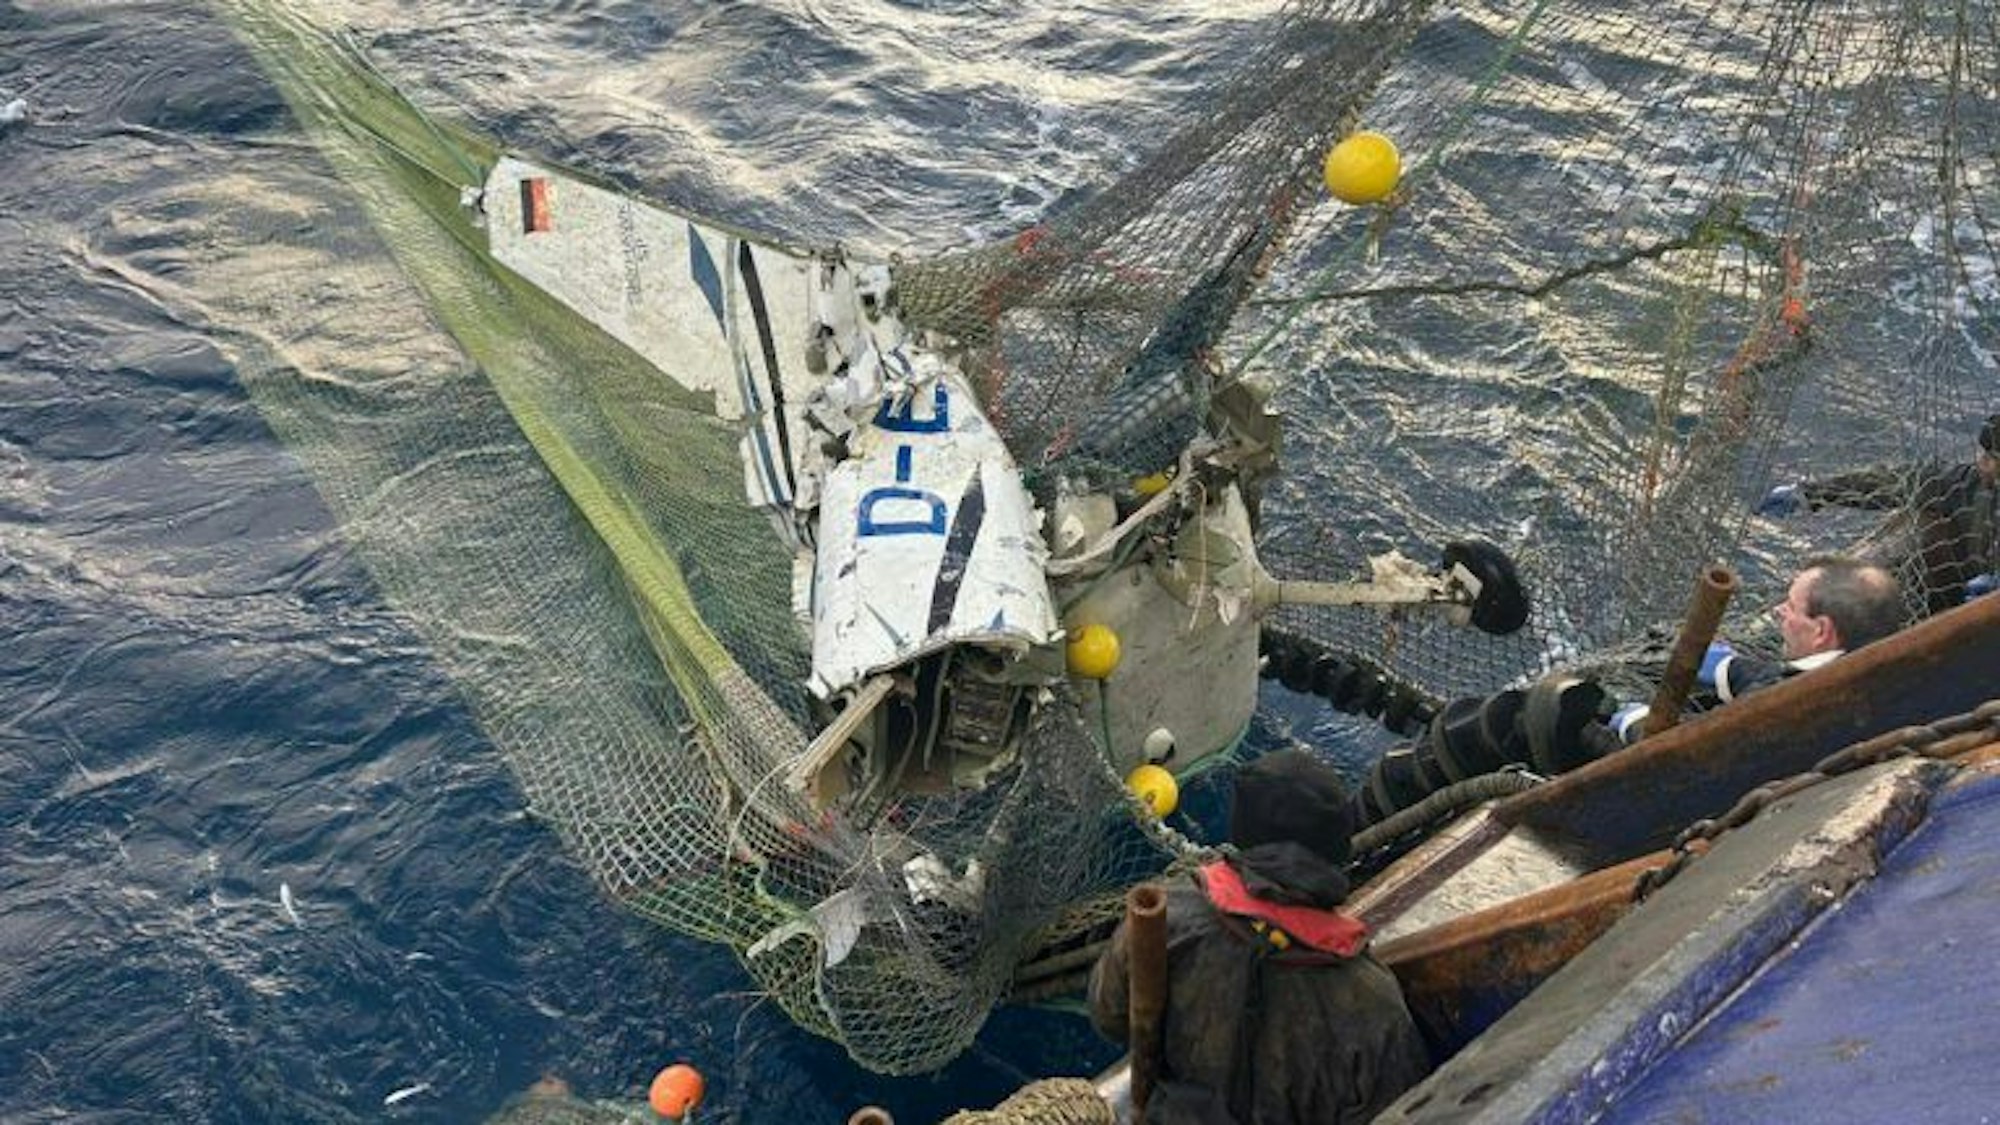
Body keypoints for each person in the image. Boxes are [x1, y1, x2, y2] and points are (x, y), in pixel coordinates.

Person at [1088, 749, 1430, 1125]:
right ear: (1337, 846)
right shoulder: (1373, 1000)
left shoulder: (1168, 918)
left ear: (1242, 828)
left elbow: (1110, 1016)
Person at [1610, 555, 1903, 740]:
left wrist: (1634, 721)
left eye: (1790, 607)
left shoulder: (1772, 704)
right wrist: (1728, 667)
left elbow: (1681, 755)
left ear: (1821, 631)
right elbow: (1777, 676)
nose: (1779, 611)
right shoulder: (1890, 675)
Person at [1758, 414, 1999, 612]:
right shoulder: (1968, 484)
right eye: (1984, 454)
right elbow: (1893, 481)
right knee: (1921, 526)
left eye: (1994, 459)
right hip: (1958, 593)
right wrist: (1810, 493)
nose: (1983, 464)